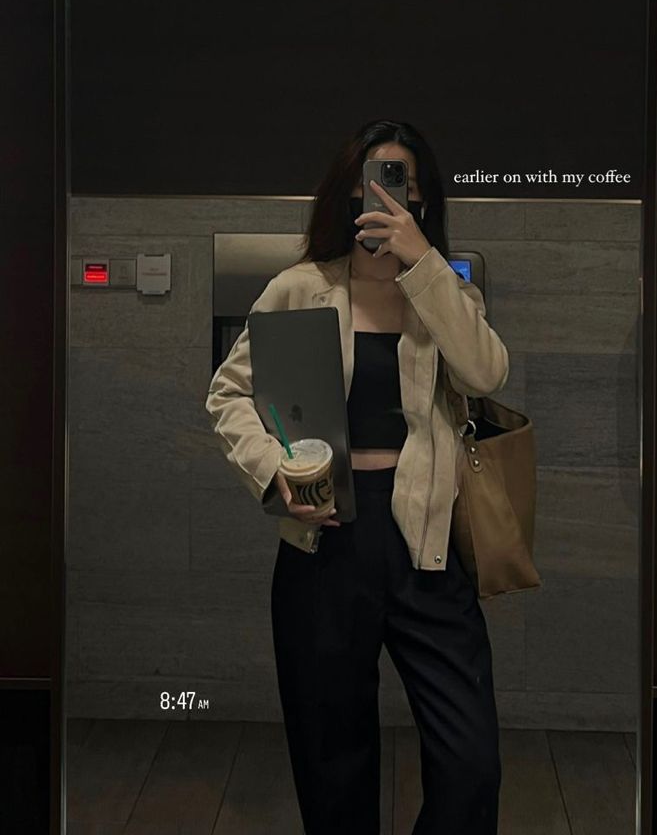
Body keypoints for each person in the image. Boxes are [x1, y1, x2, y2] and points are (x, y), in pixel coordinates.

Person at [205, 119, 510, 835]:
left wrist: (422, 263)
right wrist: (274, 472)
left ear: (423, 202)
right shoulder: (301, 287)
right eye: (372, 181)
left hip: (425, 540)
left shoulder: (442, 293)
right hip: (323, 541)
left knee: (471, 763)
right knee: (332, 759)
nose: (385, 197)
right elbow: (229, 394)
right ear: (348, 197)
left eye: (401, 183)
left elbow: (486, 372)